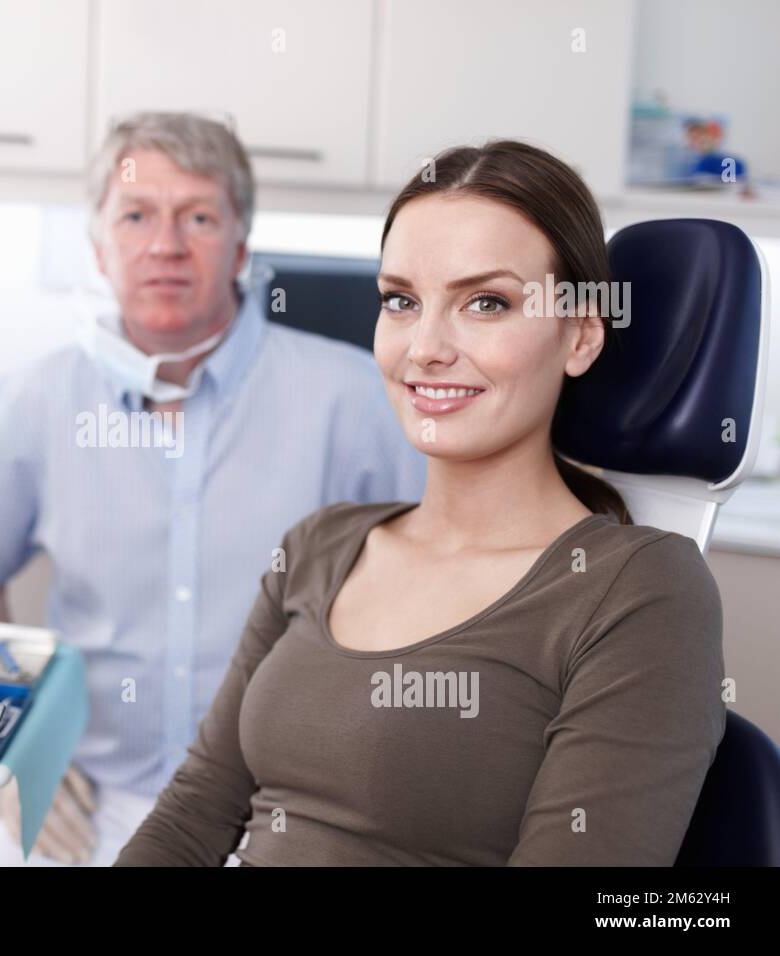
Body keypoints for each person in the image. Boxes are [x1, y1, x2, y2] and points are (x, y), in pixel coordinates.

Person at [115, 140, 728, 866]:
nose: (426, 347)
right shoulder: (319, 546)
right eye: (401, 301)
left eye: (486, 303)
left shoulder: (639, 591)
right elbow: (193, 816)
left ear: (580, 337)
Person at [0, 112, 427, 865]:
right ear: (98, 245)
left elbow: (437, 584)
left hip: (281, 809)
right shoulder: (36, 399)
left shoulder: (354, 396)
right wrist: (15, 749)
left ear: (241, 246)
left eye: (198, 216)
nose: (166, 245)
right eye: (136, 215)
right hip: (89, 799)